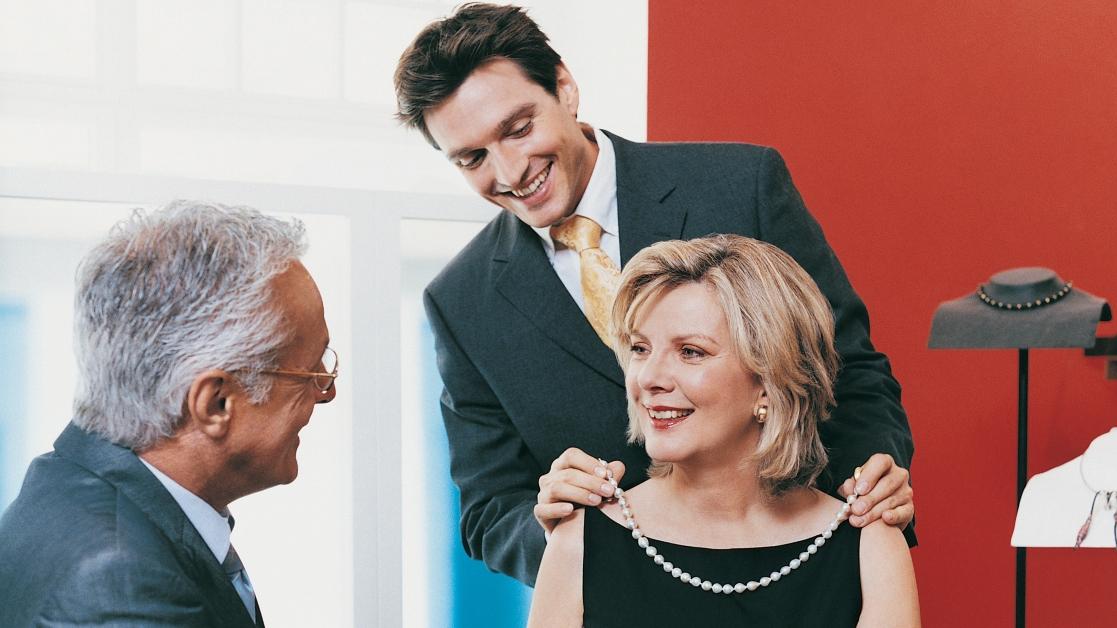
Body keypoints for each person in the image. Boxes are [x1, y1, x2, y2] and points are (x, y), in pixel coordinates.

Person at [394, 2, 914, 586]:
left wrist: (869, 484)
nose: (511, 171)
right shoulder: (460, 302)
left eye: (518, 129)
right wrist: (556, 528)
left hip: (801, 572)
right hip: (619, 601)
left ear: (564, 88)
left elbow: (849, 368)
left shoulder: (744, 187)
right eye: (473, 158)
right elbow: (489, 510)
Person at [528, 235, 919, 627]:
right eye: (640, 349)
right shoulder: (579, 538)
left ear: (769, 380)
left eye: (690, 352)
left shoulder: (870, 544)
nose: (648, 377)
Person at [0, 201, 338, 627]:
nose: (327, 390)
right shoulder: (123, 589)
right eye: (309, 370)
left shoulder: (65, 486)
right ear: (215, 404)